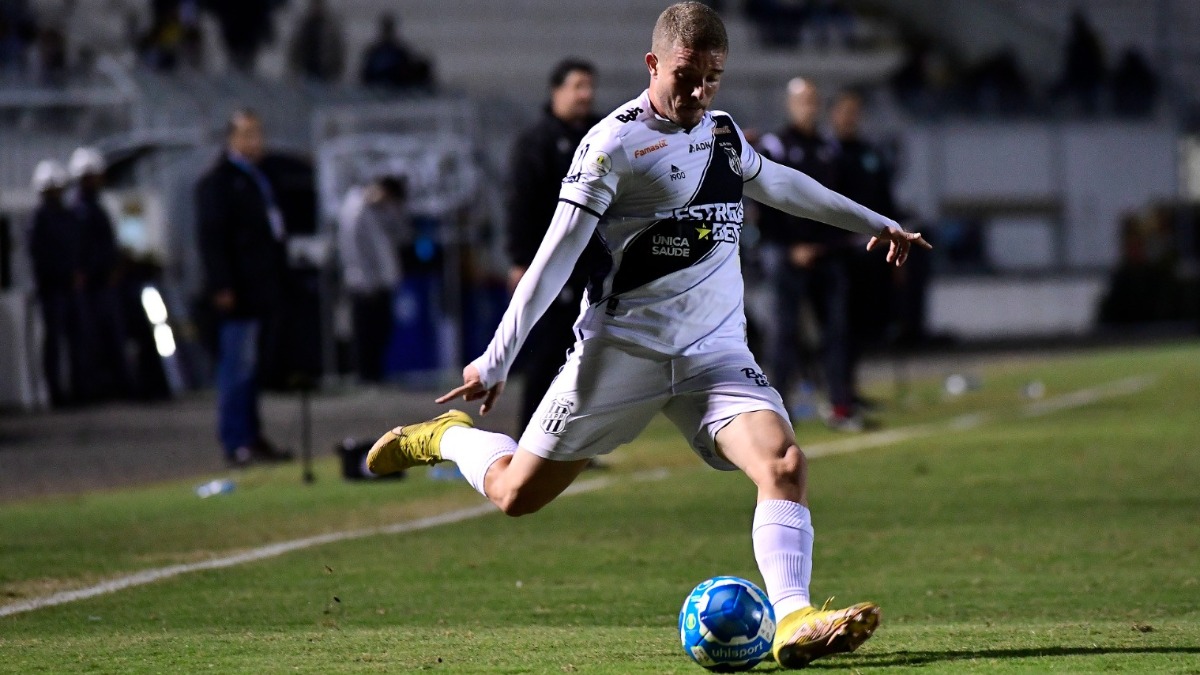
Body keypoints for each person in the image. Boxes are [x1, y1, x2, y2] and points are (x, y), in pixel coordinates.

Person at [365, 3, 928, 669]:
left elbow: (779, 184)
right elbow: (555, 257)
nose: (699, 92)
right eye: (687, 76)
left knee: (784, 465)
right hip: (621, 351)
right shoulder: (613, 145)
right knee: (516, 494)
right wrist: (496, 358)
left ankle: (794, 617)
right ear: (653, 63)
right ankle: (449, 437)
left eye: (713, 78)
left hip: (714, 354)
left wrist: (875, 220)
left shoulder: (720, 134)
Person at [757, 77, 863, 431]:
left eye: (814, 101)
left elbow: (837, 203)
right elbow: (766, 202)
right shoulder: (776, 146)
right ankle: (779, 411)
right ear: (790, 104)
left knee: (836, 332)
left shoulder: (829, 149)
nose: (809, 107)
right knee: (784, 334)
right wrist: (790, 247)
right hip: (786, 254)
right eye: (803, 101)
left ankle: (840, 404)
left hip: (826, 253)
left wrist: (828, 244)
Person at [504, 58, 602, 433]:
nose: (586, 95)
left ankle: (571, 441)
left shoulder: (598, 135)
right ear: (556, 91)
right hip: (550, 265)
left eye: (589, 86)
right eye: (578, 86)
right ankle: (530, 436)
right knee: (547, 354)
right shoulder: (536, 142)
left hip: (591, 265)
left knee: (585, 356)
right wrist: (519, 260)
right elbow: (520, 202)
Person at [196, 109, 294, 467]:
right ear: (232, 139)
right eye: (249, 134)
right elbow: (212, 238)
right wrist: (222, 284)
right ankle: (236, 440)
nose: (257, 142)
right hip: (237, 294)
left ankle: (251, 437)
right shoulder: (219, 182)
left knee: (252, 369)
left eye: (259, 133)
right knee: (236, 368)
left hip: (260, 290)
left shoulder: (257, 177)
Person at [69, 146, 133, 400]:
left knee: (110, 336)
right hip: (93, 286)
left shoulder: (95, 207)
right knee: (92, 338)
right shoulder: (81, 210)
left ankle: (116, 386)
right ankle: (96, 389)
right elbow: (83, 248)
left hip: (104, 282)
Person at [337, 175, 408, 383]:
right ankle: (365, 374)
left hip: (381, 280)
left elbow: (400, 236)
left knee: (382, 329)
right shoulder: (356, 210)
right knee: (365, 330)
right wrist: (366, 280)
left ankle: (375, 372)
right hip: (363, 283)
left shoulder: (380, 210)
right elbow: (354, 250)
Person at [28, 159, 85, 408]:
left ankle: (78, 388)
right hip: (53, 290)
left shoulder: (68, 216)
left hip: (70, 289)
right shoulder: (39, 220)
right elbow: (42, 258)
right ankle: (55, 393)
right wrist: (64, 275)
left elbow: (76, 249)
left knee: (76, 341)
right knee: (54, 344)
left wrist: (78, 273)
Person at [359, 12, 431, 90]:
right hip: (380, 82)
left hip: (396, 82)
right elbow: (366, 73)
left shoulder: (399, 50)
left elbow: (407, 66)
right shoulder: (374, 51)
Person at [286, 0, 344, 83]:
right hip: (305, 70)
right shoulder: (304, 25)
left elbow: (337, 50)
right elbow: (295, 48)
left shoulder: (330, 27)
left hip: (324, 72)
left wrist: (334, 72)